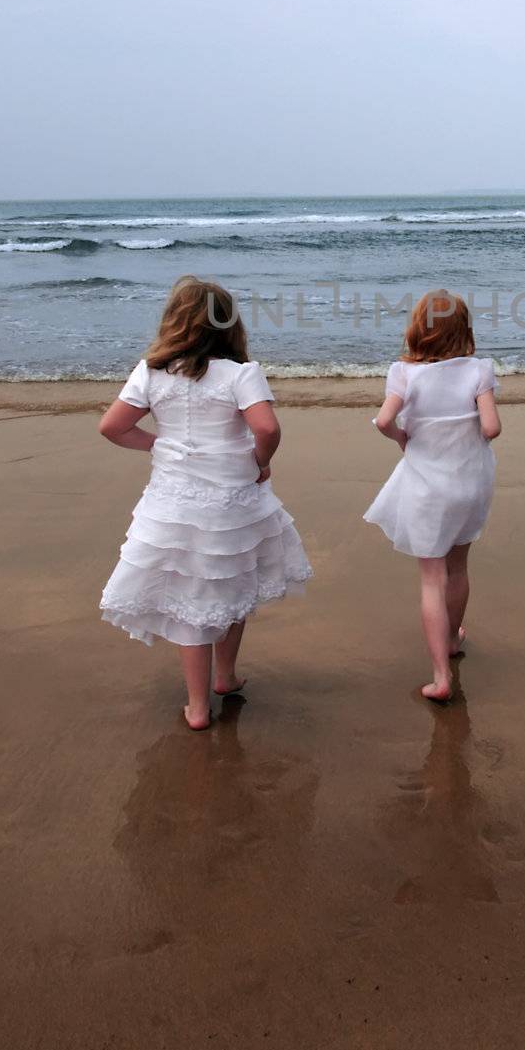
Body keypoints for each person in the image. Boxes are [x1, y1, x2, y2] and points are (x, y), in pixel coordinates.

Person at [98, 275, 311, 728]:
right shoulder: (240, 374)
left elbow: (112, 427)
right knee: (232, 582)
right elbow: (268, 428)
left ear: (174, 321)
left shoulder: (151, 372)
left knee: (190, 597)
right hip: (232, 500)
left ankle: (196, 706)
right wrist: (259, 461)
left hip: (171, 501)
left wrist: (158, 445)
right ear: (228, 325)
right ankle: (225, 676)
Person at [365, 291, 501, 701]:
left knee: (432, 578)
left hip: (427, 485)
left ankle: (441, 677)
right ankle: (454, 641)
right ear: (463, 330)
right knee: (458, 567)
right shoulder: (479, 370)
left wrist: (404, 437)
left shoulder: (405, 373)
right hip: (470, 481)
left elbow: (384, 420)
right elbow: (492, 428)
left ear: (418, 329)